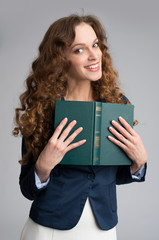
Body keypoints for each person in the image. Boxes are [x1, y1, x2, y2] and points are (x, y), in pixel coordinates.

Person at [13, 14, 148, 240]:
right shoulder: (43, 110)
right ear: (60, 59)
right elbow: (28, 189)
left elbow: (115, 175)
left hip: (103, 229)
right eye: (79, 50)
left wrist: (139, 162)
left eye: (95, 45)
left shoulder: (117, 103)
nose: (94, 54)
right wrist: (43, 167)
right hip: (50, 229)